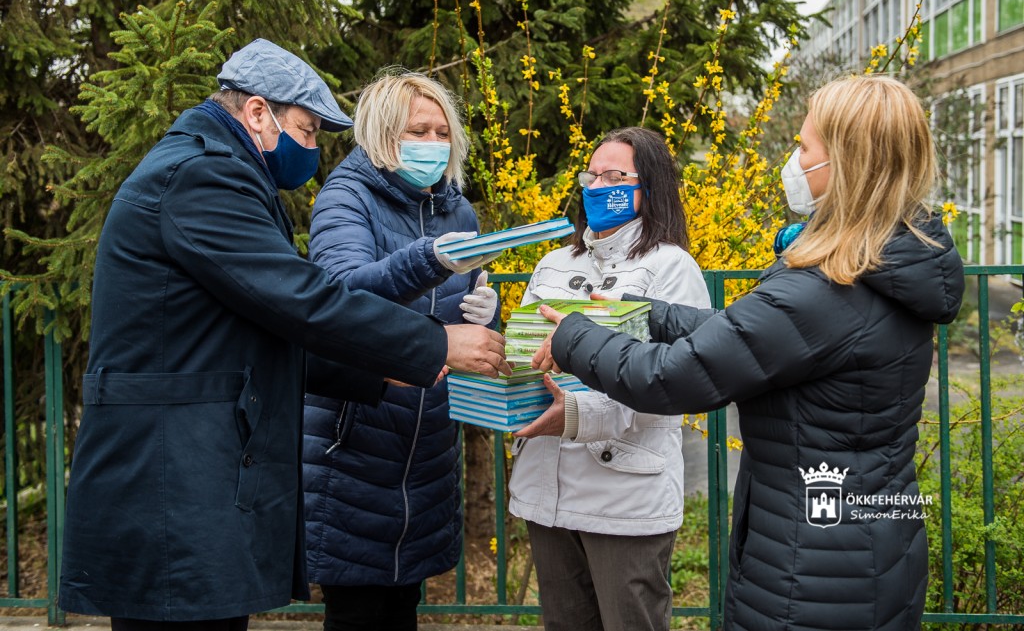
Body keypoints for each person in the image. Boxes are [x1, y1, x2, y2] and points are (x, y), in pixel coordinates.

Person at [58, 40, 509, 631]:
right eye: (307, 129)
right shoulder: (203, 177)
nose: (313, 149)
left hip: (189, 468)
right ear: (257, 113)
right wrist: (433, 344)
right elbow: (302, 300)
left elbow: (258, 332)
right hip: (171, 472)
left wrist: (374, 370)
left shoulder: (219, 171)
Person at [532, 75, 965, 630]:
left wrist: (573, 336)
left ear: (845, 163)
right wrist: (646, 312)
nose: (794, 161)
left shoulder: (824, 289)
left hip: (813, 567)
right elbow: (746, 334)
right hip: (865, 537)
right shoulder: (881, 265)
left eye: (804, 147)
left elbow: (674, 377)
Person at [302, 69, 500, 631]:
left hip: (427, 451)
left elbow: (465, 319)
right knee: (356, 610)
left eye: (443, 133)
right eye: (419, 131)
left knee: (402, 607)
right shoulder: (346, 197)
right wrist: (428, 259)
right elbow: (340, 298)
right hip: (354, 442)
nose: (433, 144)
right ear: (383, 133)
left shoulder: (457, 211)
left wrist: (487, 312)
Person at [508, 127, 710, 631]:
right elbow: (525, 353)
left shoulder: (671, 266)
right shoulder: (554, 263)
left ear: (650, 187)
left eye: (615, 176)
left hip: (624, 497)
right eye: (591, 176)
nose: (598, 186)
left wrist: (580, 415)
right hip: (546, 488)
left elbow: (670, 379)